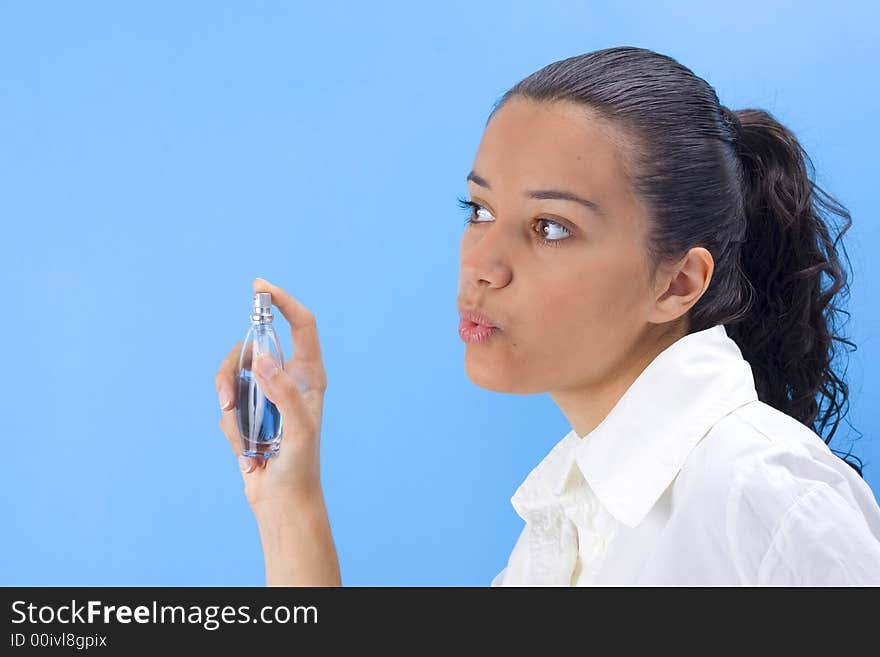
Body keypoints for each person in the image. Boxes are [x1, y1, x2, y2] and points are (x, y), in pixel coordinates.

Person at [215, 46, 880, 586]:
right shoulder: (567, 523)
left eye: (551, 227)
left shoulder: (766, 497)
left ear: (678, 283)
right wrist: (288, 499)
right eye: (479, 210)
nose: (483, 264)